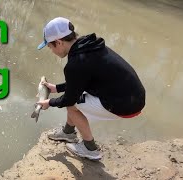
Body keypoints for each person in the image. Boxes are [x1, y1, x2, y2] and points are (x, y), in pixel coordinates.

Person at [36, 17, 145, 160]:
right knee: (75, 99)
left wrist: (49, 103)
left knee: (71, 104)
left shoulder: (76, 63)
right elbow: (82, 80)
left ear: (59, 42)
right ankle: (68, 133)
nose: (51, 51)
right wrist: (56, 88)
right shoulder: (89, 46)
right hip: (134, 96)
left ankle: (90, 149)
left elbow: (70, 98)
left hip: (126, 105)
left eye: (50, 47)